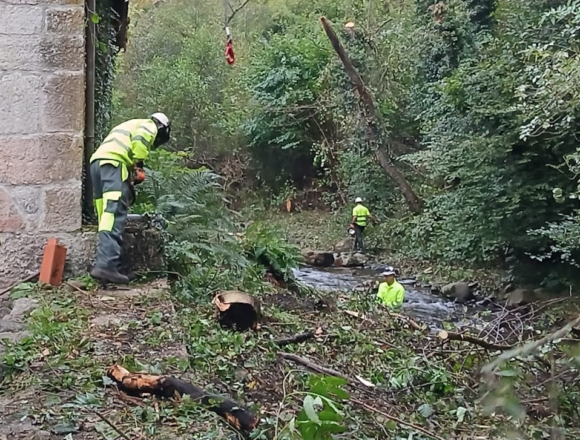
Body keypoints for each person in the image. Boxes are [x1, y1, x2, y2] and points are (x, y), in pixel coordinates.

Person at [89, 113, 171, 284]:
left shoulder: (129, 124)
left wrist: (129, 175)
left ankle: (108, 265)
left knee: (105, 217)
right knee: (114, 213)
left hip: (97, 164)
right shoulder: (149, 125)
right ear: (162, 128)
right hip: (114, 163)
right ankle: (107, 266)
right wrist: (139, 165)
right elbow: (141, 140)